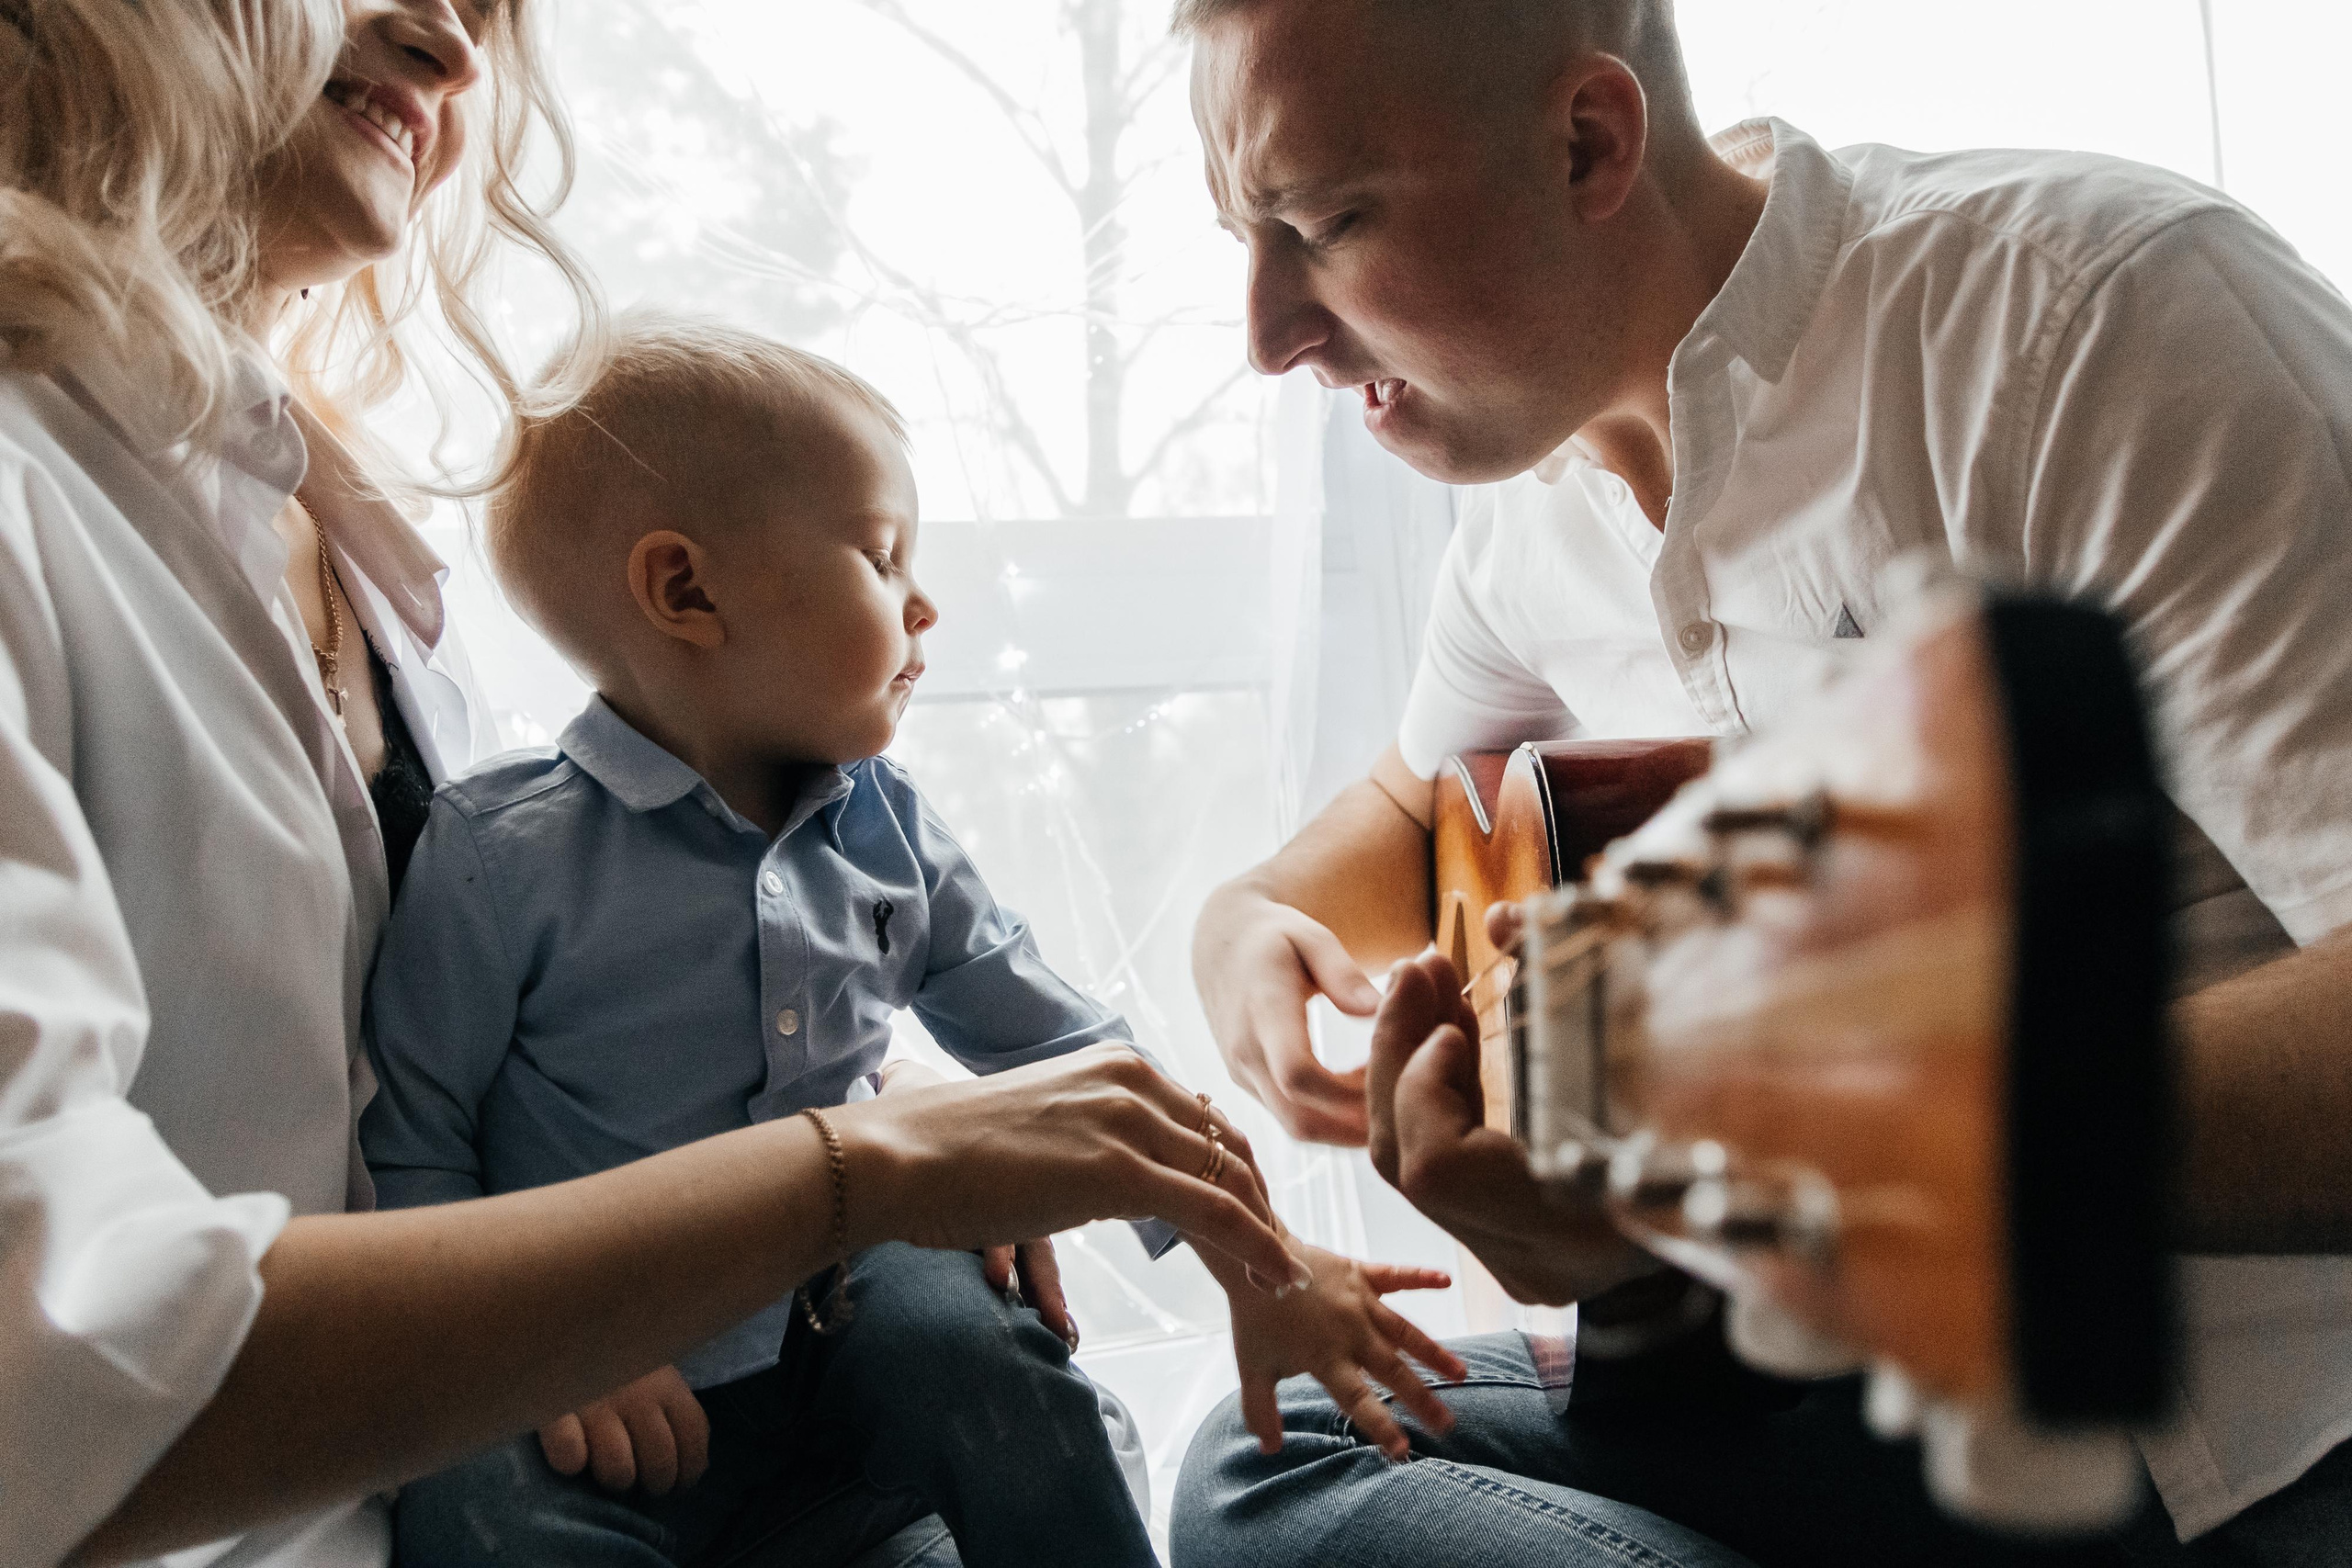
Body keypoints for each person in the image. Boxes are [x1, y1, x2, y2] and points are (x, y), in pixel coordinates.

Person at [0, 5, 1308, 1566]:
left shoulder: (346, 537)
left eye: (487, 11)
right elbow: (54, 1383)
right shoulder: (37, 506)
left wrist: (872, 1095)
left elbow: (536, 1047)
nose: (446, 43)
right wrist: (843, 1177)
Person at [1170, 0, 2352, 1563]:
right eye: (1239, 233)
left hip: (2201, 1436)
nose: (1266, 334)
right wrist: (1245, 918)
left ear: (1590, 142)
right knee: (1276, 1450)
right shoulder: (1529, 498)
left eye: (1322, 222)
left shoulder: (2094, 319)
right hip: (1801, 1391)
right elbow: (1404, 812)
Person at [361, 312, 1468, 1567]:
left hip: (845, 1312)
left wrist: (1262, 1268)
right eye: (882, 559)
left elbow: (1086, 1070)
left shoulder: (890, 831)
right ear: (684, 591)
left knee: (983, 1349)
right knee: (476, 1506)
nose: (925, 603)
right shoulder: (501, 854)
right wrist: (537, 1345)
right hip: (605, 1346)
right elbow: (411, 1143)